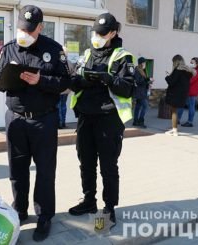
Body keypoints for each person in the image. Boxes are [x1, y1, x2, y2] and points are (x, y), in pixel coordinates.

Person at [0, 5, 70, 242]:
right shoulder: (9, 48)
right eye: (20, 28)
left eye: (29, 30)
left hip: (43, 120)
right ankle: (20, 210)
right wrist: (9, 78)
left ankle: (44, 216)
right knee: (17, 170)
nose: (23, 33)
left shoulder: (53, 50)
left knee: (45, 172)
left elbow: (66, 82)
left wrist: (41, 80)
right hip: (15, 120)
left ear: (40, 27)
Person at [68, 12, 135, 228]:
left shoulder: (123, 56)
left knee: (108, 166)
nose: (97, 36)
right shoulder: (87, 54)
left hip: (108, 120)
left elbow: (128, 87)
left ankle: (109, 209)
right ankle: (89, 201)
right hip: (86, 118)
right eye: (95, 32)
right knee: (86, 163)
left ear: (113, 33)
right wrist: (82, 80)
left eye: (102, 33)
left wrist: (109, 79)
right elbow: (75, 82)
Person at [165, 55, 194, 136]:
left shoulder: (177, 71)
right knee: (175, 111)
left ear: (176, 62)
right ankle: (174, 128)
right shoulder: (187, 72)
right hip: (183, 94)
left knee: (174, 112)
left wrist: (167, 76)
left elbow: (172, 82)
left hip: (175, 94)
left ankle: (175, 131)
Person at [177, 57, 198, 127]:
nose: (190, 64)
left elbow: (190, 81)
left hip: (191, 92)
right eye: (190, 62)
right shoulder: (192, 71)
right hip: (187, 91)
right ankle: (178, 119)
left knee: (190, 106)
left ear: (197, 64)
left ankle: (190, 122)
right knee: (182, 105)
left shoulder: (197, 72)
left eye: (192, 62)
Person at [133, 57, 154, 128]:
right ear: (141, 63)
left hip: (142, 91)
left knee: (138, 106)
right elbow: (139, 81)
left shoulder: (142, 70)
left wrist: (149, 81)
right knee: (145, 106)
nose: (145, 64)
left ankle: (135, 121)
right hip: (140, 92)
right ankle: (140, 121)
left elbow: (143, 80)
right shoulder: (137, 70)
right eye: (144, 63)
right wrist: (147, 80)